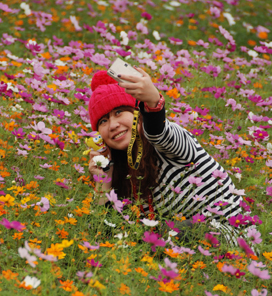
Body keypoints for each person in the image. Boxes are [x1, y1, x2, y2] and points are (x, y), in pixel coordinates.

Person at [88, 67, 243, 244]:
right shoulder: (122, 170)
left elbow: (158, 131)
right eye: (103, 121)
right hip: (179, 253)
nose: (113, 125)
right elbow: (106, 233)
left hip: (229, 237)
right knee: (137, 240)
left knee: (159, 235)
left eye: (118, 113)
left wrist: (153, 102)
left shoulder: (173, 145)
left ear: (137, 114)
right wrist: (103, 182)